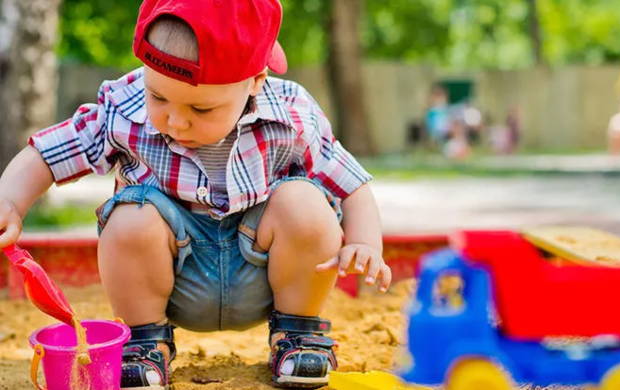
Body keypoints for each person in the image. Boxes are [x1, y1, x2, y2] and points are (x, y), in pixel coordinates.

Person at [0, 1, 391, 388]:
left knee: (304, 202)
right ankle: (144, 344)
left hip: (263, 272)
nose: (175, 120)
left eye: (202, 109)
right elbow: (49, 153)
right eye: (159, 97)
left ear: (255, 81)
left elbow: (351, 183)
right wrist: (10, 201)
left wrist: (364, 242)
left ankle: (298, 334)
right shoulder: (125, 105)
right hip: (171, 277)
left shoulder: (291, 112)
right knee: (131, 214)